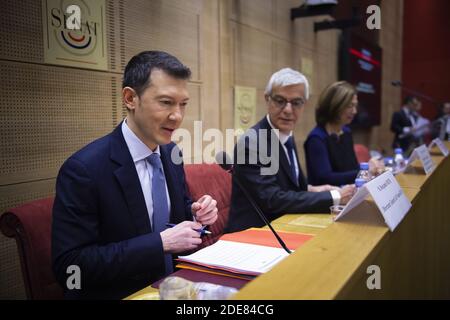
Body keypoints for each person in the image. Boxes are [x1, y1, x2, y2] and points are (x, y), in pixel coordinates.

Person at [52, 51, 218, 299]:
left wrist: (194, 212)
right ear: (130, 98)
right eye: (165, 102)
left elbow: (173, 214)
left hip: (173, 287)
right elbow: (71, 267)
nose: (178, 116)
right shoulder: (83, 170)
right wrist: (160, 243)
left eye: (183, 104)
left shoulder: (171, 152)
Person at [225, 68, 355, 233]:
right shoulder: (252, 143)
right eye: (280, 101)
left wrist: (312, 189)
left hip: (284, 225)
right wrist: (335, 197)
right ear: (267, 99)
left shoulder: (286, 135)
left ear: (304, 105)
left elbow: (284, 186)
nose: (287, 110)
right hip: (252, 235)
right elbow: (271, 199)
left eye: (296, 103)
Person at [304, 81, 383, 186]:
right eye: (350, 106)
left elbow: (352, 168)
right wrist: (364, 171)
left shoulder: (346, 132)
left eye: (355, 106)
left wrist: (370, 168)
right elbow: (325, 178)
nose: (354, 111)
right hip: (329, 199)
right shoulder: (316, 139)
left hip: (348, 192)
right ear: (335, 106)